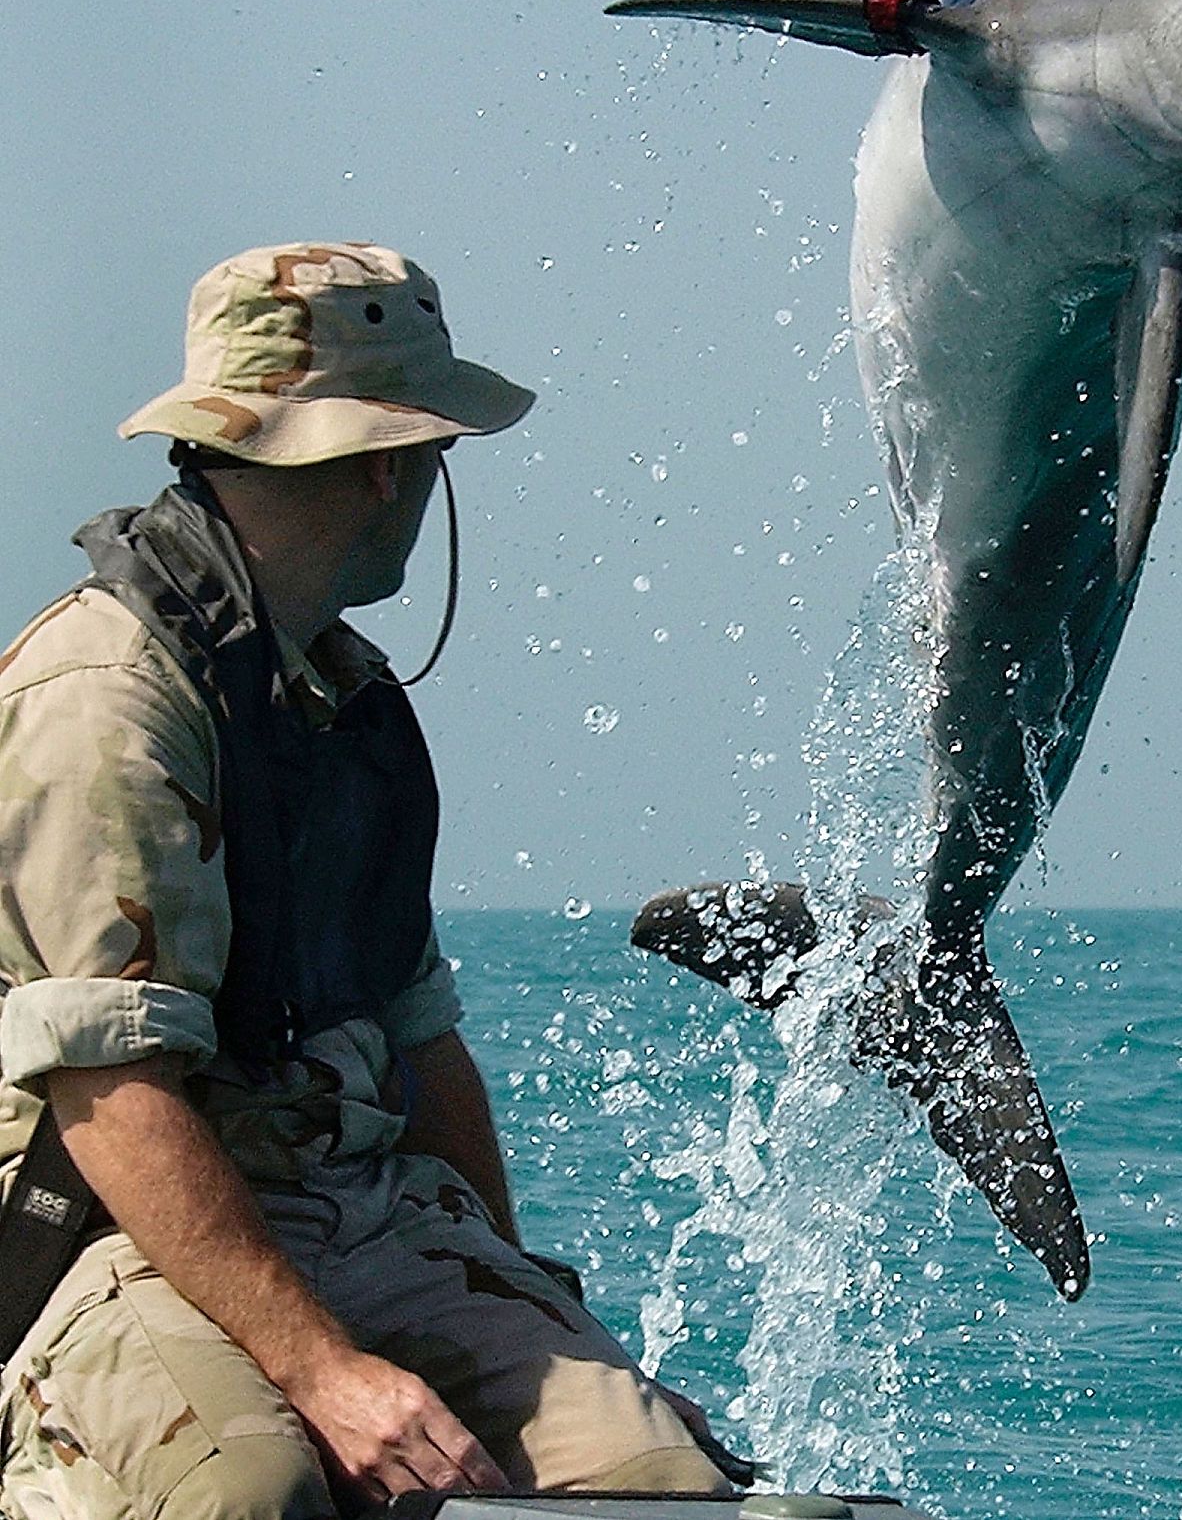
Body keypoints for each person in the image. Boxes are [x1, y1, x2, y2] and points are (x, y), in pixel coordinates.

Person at [0, 243, 730, 1520]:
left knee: (657, 1488)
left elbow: (417, 1040)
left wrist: (539, 1318)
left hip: (354, 1211)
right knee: (252, 1494)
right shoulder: (109, 699)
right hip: (105, 1232)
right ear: (395, 460)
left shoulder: (342, 696)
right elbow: (111, 1094)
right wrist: (327, 1374)